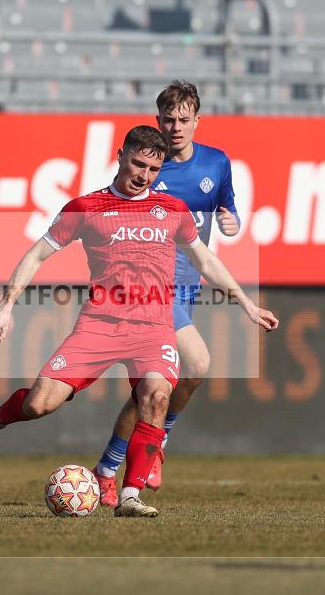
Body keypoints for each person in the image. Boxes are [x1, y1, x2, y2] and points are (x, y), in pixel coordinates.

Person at [0, 126, 278, 517]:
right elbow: (37, 255)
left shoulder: (172, 210)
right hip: (99, 325)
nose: (144, 175)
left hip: (154, 328)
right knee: (39, 404)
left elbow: (205, 260)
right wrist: (6, 306)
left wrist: (246, 303)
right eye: (138, 163)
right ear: (121, 155)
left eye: (154, 169)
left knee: (157, 397)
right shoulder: (86, 208)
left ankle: (130, 496)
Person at [92, 80, 247, 506]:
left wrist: (230, 220)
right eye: (168, 119)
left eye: (183, 119)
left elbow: (226, 206)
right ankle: (155, 443)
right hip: (149, 288)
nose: (175, 127)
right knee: (196, 362)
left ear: (197, 121)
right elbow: (115, 210)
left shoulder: (216, 163)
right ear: (157, 119)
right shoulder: (148, 165)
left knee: (153, 390)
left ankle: (108, 468)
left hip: (188, 287)